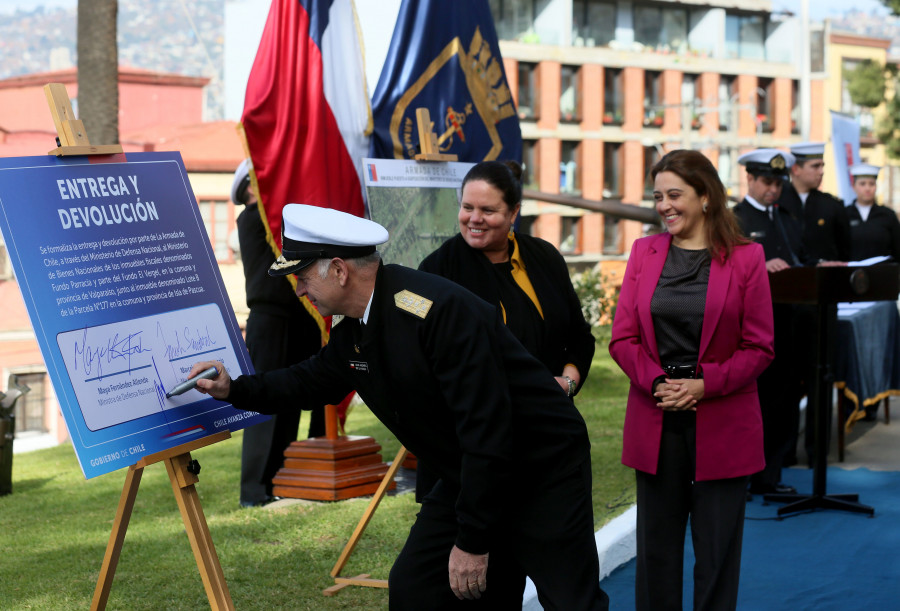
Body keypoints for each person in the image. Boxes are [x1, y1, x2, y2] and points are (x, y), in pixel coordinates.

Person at [190, 204, 609, 610]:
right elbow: (308, 381)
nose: (298, 290)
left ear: (339, 270)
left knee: (570, 598)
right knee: (417, 588)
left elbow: (488, 429)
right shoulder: (355, 325)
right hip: (470, 469)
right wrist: (234, 389)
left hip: (540, 468)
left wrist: (473, 541)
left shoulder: (439, 313)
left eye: (301, 278)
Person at [609, 149, 774, 610]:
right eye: (658, 196)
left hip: (723, 418)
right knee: (656, 552)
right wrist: (660, 383)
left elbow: (760, 347)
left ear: (705, 196)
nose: (664, 205)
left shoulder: (747, 258)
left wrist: (705, 385)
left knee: (717, 553)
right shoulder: (644, 251)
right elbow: (622, 338)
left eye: (675, 194)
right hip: (656, 412)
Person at [417, 160, 596, 500]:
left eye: (488, 210)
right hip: (471, 448)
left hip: (547, 437)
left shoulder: (544, 257)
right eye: (467, 207)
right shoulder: (438, 270)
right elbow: (426, 361)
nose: (474, 219)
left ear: (514, 213)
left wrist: (568, 381)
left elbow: (579, 336)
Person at [231, 160, 325, 508]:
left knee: (290, 399)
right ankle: (255, 490)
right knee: (265, 405)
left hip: (299, 316)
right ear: (251, 187)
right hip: (270, 321)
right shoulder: (256, 218)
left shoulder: (279, 217)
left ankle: (280, 479)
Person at [733, 148, 805, 492]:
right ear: (749, 178)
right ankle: (741, 476)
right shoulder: (734, 220)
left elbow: (800, 260)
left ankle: (769, 475)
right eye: (766, 181)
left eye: (778, 182)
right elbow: (721, 271)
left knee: (782, 402)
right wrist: (759, 268)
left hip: (786, 326)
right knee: (750, 404)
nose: (773, 189)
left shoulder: (788, 220)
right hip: (747, 332)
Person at [776, 142, 851, 262]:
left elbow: (845, 251)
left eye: (822, 166)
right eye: (815, 166)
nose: (821, 171)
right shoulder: (777, 203)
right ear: (796, 169)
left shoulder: (832, 206)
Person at [847, 163, 900, 262]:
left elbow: (897, 248)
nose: (867, 188)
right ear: (854, 186)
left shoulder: (888, 215)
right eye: (862, 184)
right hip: (851, 273)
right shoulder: (844, 214)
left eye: (871, 184)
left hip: (883, 272)